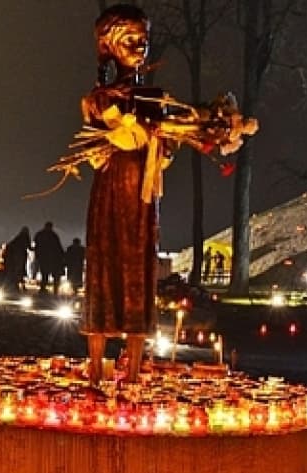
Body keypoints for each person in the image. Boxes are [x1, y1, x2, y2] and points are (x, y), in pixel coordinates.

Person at [72, 5, 255, 385]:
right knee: (106, 269)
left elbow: (166, 149)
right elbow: (95, 153)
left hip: (142, 197)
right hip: (110, 193)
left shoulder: (157, 100)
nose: (139, 46)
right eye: (130, 39)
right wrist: (122, 131)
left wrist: (172, 139)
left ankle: (135, 368)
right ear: (108, 45)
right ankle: (94, 369)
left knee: (139, 269)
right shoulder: (97, 99)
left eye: (144, 39)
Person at [33, 221, 65, 295]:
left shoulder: (39, 234)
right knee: (54, 275)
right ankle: (54, 291)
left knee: (44, 274)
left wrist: (37, 255)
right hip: (52, 258)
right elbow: (58, 247)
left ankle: (43, 289)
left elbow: (36, 245)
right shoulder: (53, 235)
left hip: (42, 257)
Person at [2, 227, 31, 293]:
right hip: (19, 256)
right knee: (19, 271)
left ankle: (16, 286)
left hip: (13, 257)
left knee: (15, 271)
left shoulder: (17, 238)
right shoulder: (25, 237)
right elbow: (28, 247)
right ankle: (20, 286)